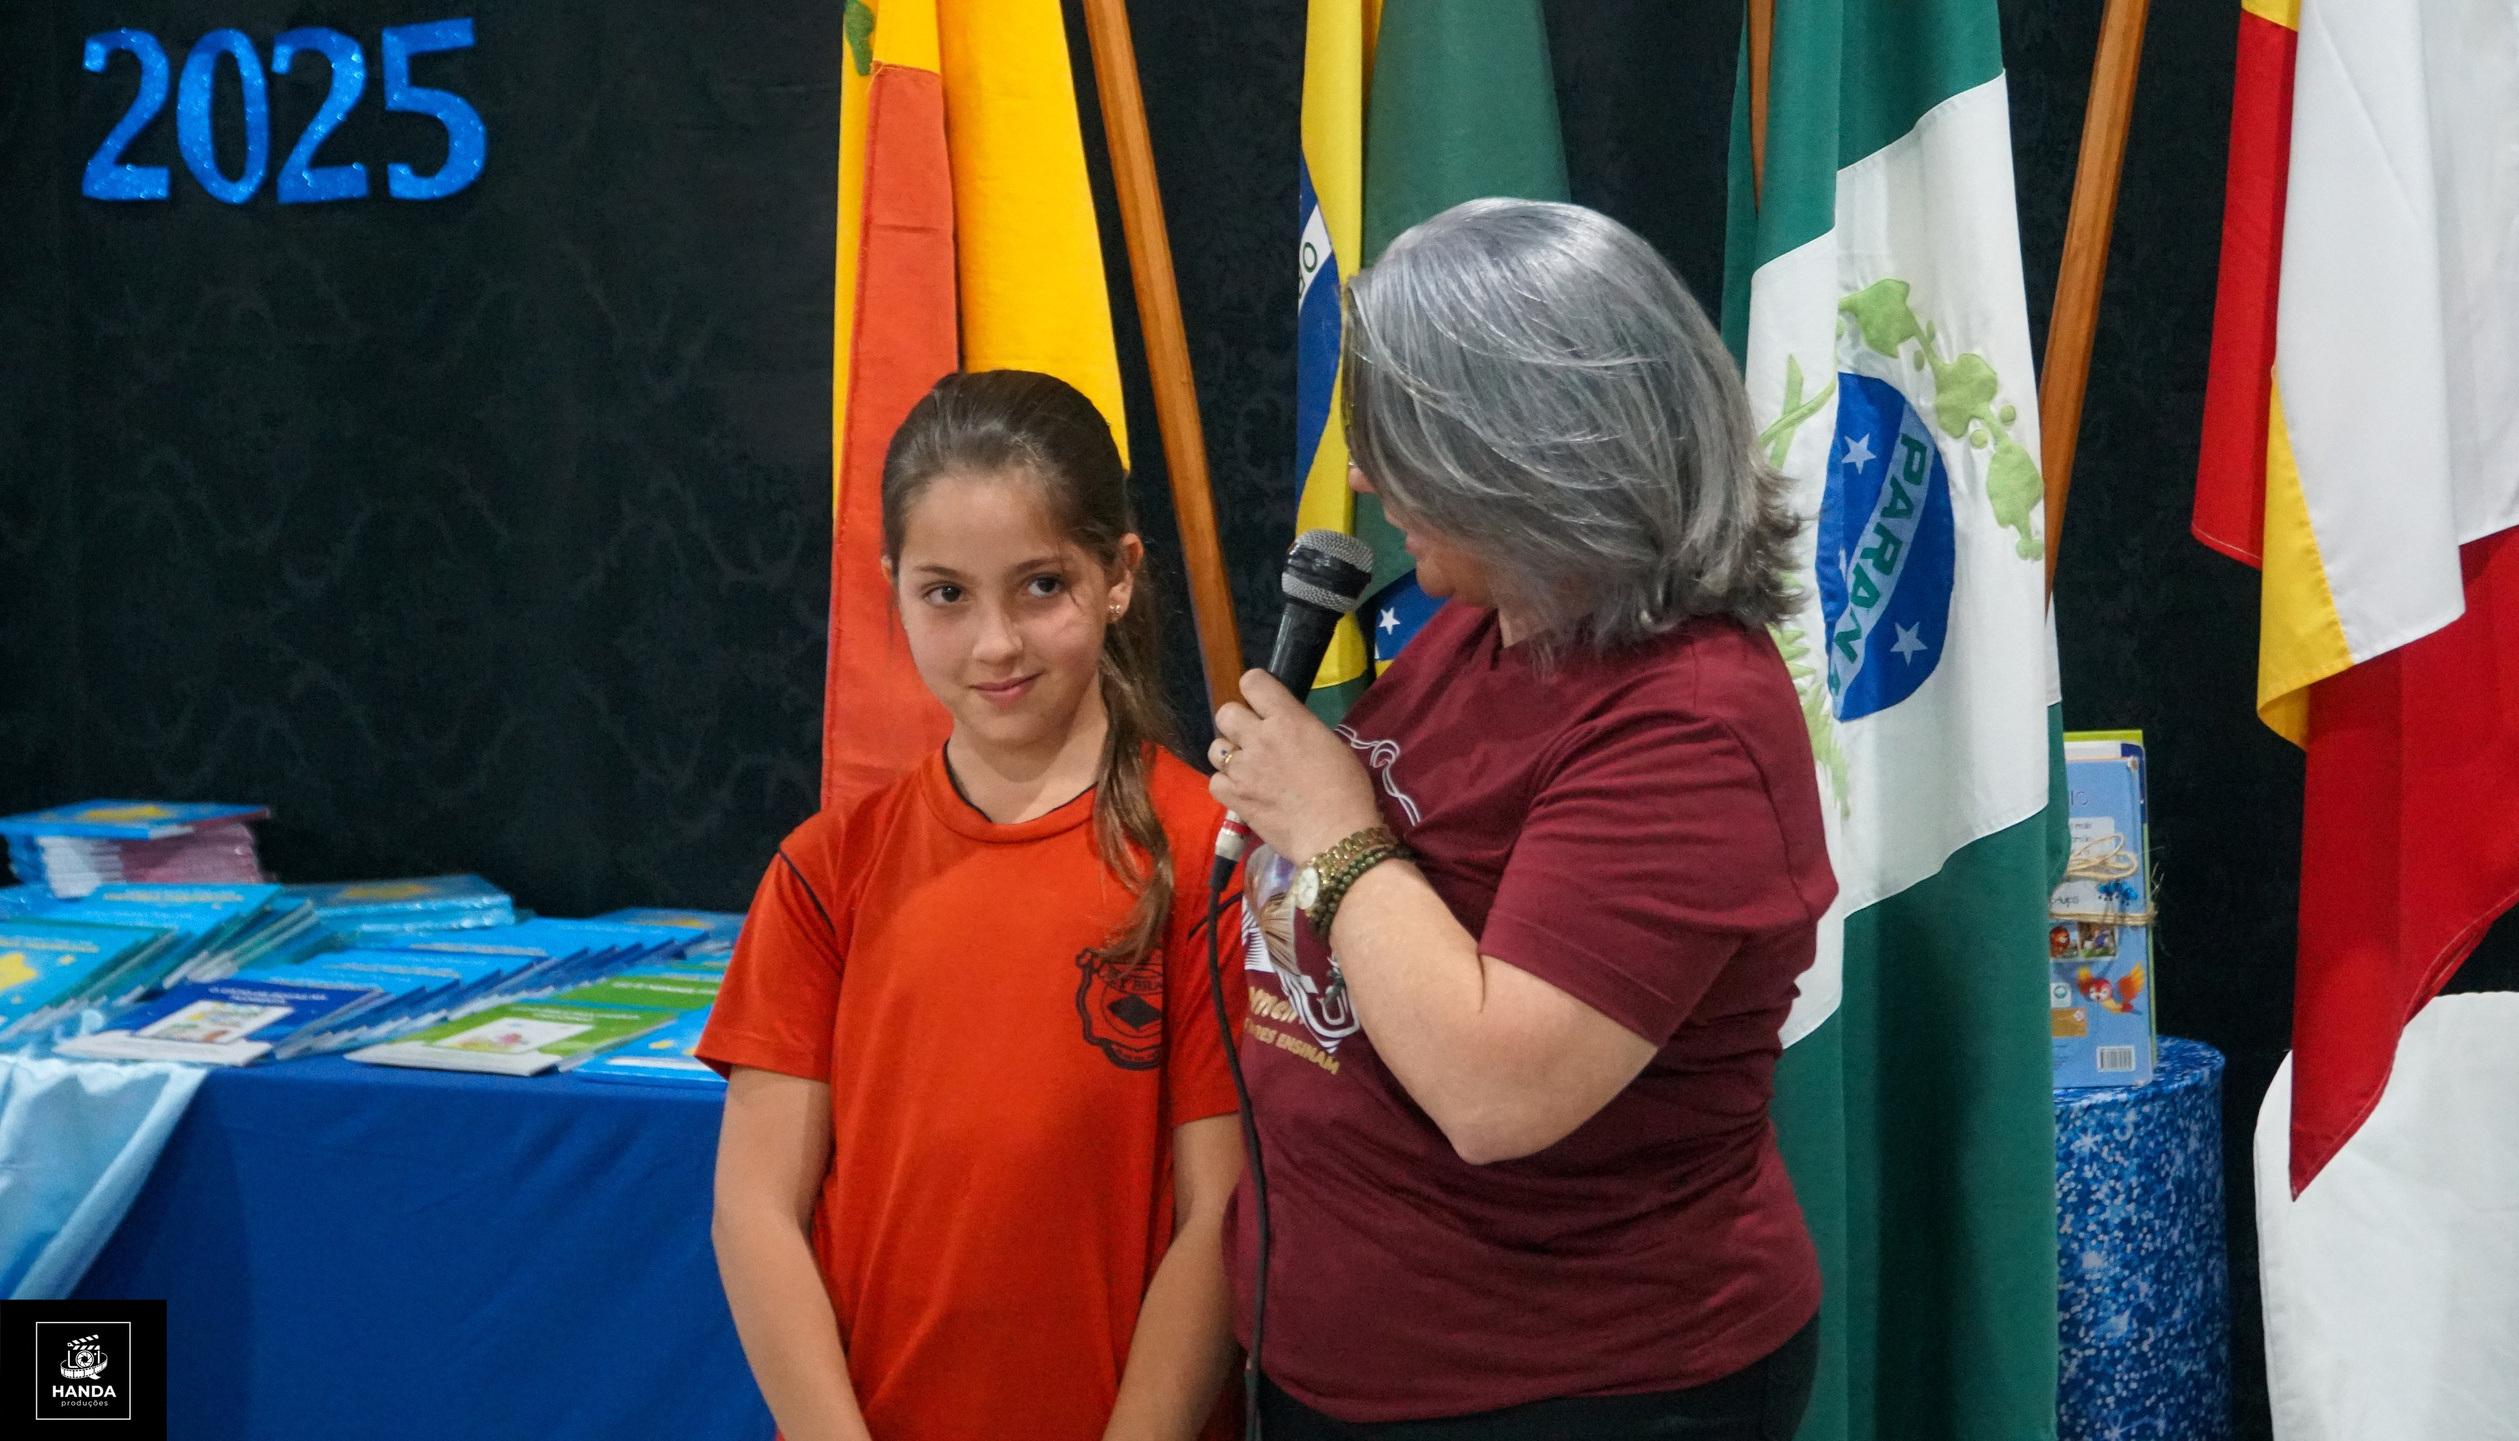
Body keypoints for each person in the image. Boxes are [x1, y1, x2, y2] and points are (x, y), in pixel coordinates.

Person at [1204, 199, 1836, 1439]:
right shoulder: (1498, 621)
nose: (1372, 480)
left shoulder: (1689, 721)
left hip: (1577, 1392)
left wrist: (1334, 827)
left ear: (1526, 454)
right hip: (1349, 1361)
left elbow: (1497, 1094)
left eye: (1404, 447)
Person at [701, 370, 1245, 1441]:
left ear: (1119, 574)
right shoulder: (826, 869)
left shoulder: (1207, 856)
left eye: (1041, 585)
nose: (994, 642)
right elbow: (754, 1208)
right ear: (893, 585)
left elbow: (1219, 1213)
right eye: (946, 593)